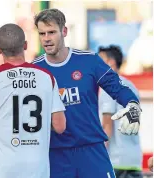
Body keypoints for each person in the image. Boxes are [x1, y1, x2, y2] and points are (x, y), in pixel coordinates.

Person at [33, 8, 142, 178]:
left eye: (52, 32)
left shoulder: (88, 60)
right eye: (42, 33)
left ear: (64, 31)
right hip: (55, 155)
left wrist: (132, 105)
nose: (46, 38)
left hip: (92, 151)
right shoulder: (34, 70)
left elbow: (118, 86)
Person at [0, 23, 66, 178]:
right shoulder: (46, 77)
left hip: (0, 170)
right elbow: (60, 126)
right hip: (37, 170)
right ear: (26, 45)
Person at [98, 45, 143, 178]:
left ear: (110, 63)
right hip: (134, 160)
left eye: (100, 60)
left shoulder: (109, 86)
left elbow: (107, 127)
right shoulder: (131, 86)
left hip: (115, 161)